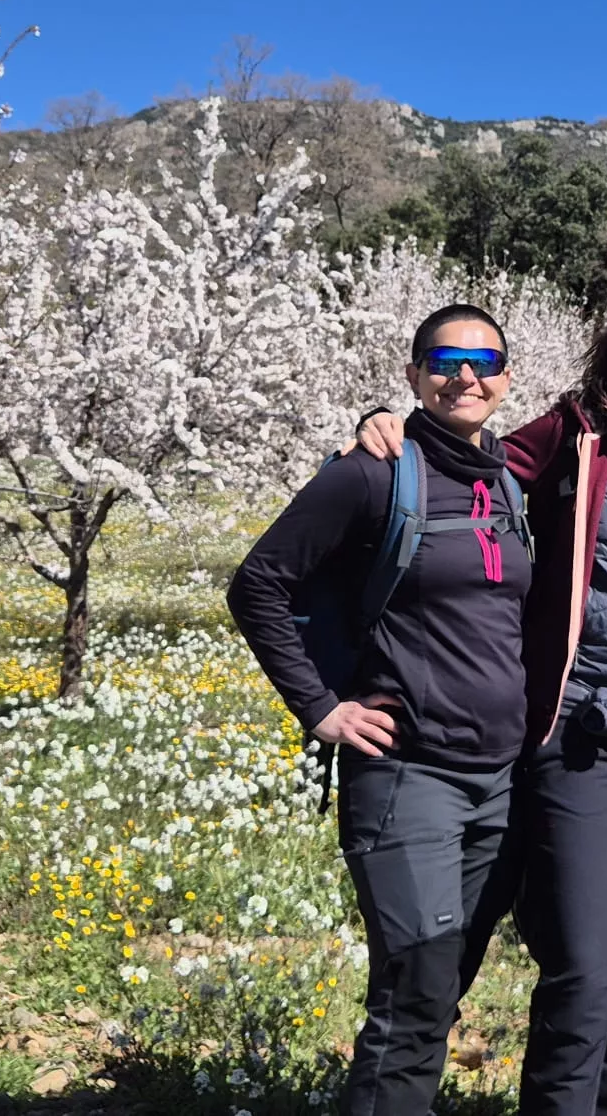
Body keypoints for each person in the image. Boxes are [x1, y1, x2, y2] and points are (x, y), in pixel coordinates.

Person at [355, 289, 607, 1116]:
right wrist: (388, 422)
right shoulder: (578, 435)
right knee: (587, 971)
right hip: (587, 735)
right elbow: (472, 462)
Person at [227, 304, 534, 1116]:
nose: (465, 376)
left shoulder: (509, 480)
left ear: (507, 377)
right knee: (414, 993)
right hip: (408, 778)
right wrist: (322, 709)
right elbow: (257, 584)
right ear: (412, 375)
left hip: (498, 784)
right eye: (444, 359)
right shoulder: (370, 474)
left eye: (485, 360)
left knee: (437, 991)